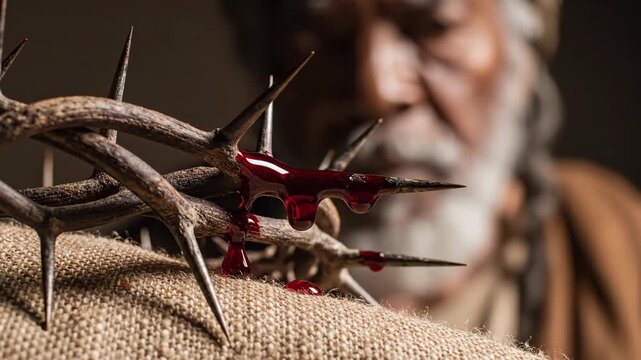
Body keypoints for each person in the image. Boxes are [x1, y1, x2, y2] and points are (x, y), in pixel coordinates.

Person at [225, 0, 641, 358]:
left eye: (434, 27)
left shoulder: (621, 250)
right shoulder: (199, 265)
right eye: (320, 40)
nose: (378, 89)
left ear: (522, 56)